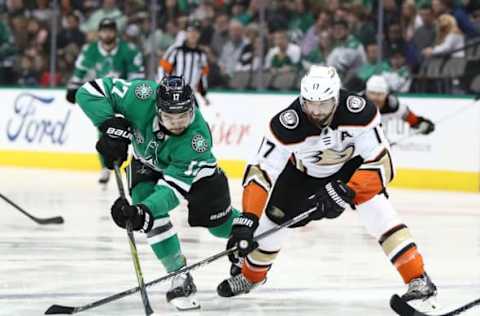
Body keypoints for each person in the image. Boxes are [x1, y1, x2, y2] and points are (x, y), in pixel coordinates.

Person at [216, 66, 438, 311]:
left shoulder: (359, 111)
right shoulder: (286, 124)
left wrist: (349, 190)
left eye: (323, 105)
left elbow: (383, 163)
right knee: (272, 226)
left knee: (379, 213)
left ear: (336, 98)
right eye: (310, 104)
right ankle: (251, 277)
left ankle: (418, 278)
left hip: (349, 170)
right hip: (301, 174)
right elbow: (261, 171)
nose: (316, 112)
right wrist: (248, 217)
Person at [75, 75, 240, 311]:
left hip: (196, 173)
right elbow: (89, 91)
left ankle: (249, 230)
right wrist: (110, 125)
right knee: (145, 203)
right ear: (157, 108)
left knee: (220, 227)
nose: (177, 123)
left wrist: (143, 211)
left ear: (192, 108)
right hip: (146, 162)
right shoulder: (141, 95)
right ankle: (180, 275)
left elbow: (171, 191)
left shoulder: (197, 141)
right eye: (169, 117)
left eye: (183, 115)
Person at [66, 17, 144, 185]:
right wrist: (73, 87)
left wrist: (133, 97)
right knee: (105, 128)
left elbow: (137, 77)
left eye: (110, 30)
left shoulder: (129, 50)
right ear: (99, 32)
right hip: (101, 97)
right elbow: (80, 71)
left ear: (115, 32)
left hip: (125, 97)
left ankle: (139, 163)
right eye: (104, 30)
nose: (107, 33)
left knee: (134, 130)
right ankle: (104, 167)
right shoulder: (90, 50)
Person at [157, 20, 210, 105]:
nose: (193, 34)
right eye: (191, 31)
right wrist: (164, 89)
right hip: (173, 94)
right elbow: (163, 69)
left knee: (195, 117)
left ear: (199, 34)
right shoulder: (175, 50)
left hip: (190, 95)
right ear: (186, 33)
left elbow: (202, 77)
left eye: (196, 32)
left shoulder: (201, 54)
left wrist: (204, 95)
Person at [365, 75, 435, 135]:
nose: (375, 98)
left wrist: (422, 125)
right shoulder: (357, 105)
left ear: (386, 94)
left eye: (380, 94)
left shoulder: (394, 106)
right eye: (372, 93)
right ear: (367, 93)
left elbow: (413, 120)